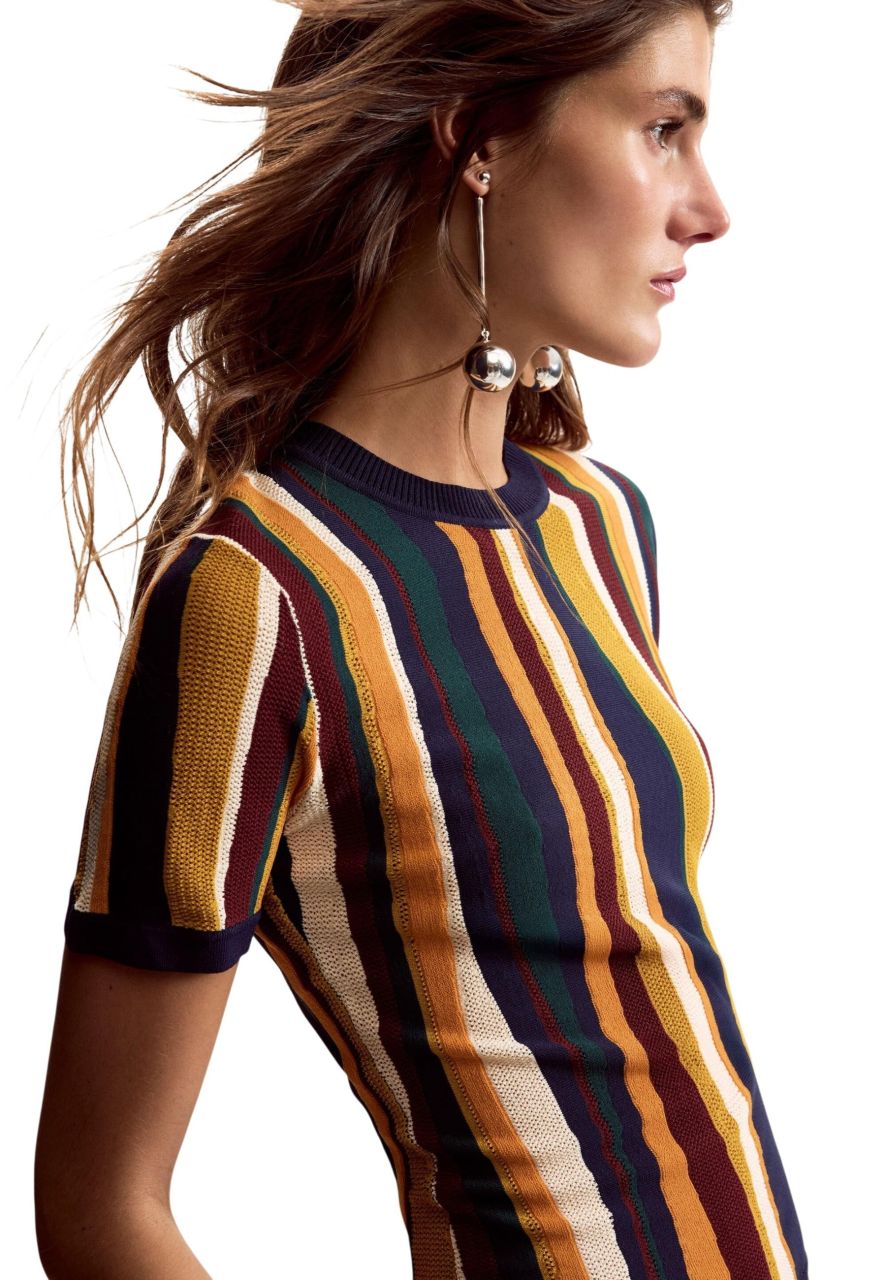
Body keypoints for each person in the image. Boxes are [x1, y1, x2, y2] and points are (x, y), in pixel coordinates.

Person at [34, 1, 810, 1277]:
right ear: (477, 140)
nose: (709, 209)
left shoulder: (598, 526)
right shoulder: (256, 594)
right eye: (663, 129)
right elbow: (99, 1205)